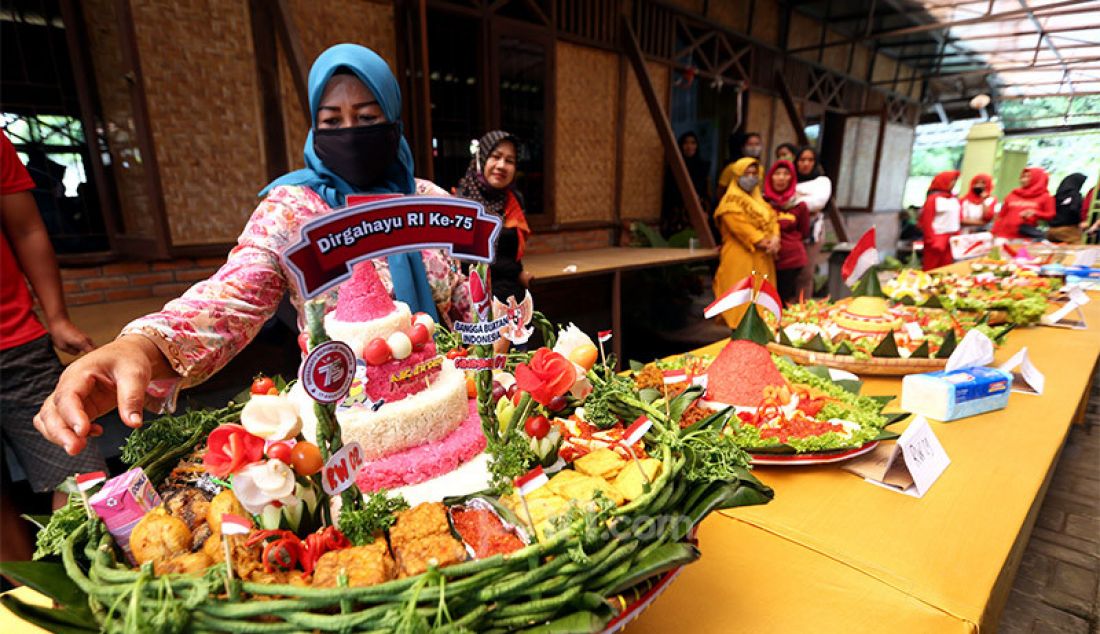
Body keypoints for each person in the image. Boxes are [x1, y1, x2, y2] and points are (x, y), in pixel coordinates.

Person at [33, 44, 472, 457]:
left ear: (393, 121)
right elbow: (230, 298)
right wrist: (141, 347)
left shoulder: (429, 203)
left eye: (367, 116)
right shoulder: (294, 210)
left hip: (453, 413)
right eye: (332, 121)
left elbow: (462, 304)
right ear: (314, 127)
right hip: (350, 432)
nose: (351, 133)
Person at [1, 130, 101, 567]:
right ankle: (30, 605)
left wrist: (56, 317)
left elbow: (26, 227)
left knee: (81, 471)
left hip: (15, 344)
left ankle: (90, 591)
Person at [454, 130, 532, 302]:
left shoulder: (514, 200)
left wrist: (520, 273)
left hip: (512, 297)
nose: (502, 165)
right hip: (473, 301)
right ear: (481, 159)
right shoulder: (461, 201)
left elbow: (511, 254)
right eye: (495, 157)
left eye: (510, 160)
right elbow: (456, 264)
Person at [712, 157, 779, 328]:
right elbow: (740, 227)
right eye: (746, 173)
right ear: (736, 176)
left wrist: (775, 239)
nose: (750, 178)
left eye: (754, 174)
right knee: (739, 300)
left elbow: (773, 221)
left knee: (761, 298)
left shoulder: (761, 202)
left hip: (763, 258)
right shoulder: (730, 203)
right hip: (740, 257)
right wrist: (764, 241)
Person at [762, 160, 809, 305]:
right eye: (777, 174)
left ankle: (779, 327)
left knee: (782, 301)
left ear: (792, 178)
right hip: (766, 257)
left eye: (786, 174)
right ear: (770, 177)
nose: (781, 178)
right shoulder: (761, 203)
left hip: (791, 260)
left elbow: (804, 232)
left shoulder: (799, 205)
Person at [791, 146, 831, 301]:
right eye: (802, 160)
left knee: (805, 274)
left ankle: (802, 309)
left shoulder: (822, 181)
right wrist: (802, 200)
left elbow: (817, 203)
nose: (806, 163)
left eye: (810, 160)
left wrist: (795, 199)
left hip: (812, 233)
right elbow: (780, 200)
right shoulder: (789, 179)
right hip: (789, 233)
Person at [661, 131, 712, 237]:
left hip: (698, 211)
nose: (689, 146)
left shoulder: (703, 167)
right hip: (678, 213)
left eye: (693, 143)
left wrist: (705, 211)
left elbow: (706, 191)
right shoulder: (675, 166)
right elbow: (669, 192)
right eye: (686, 143)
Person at [992, 167, 1055, 240]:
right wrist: (994, 232)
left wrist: (1035, 213)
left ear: (1037, 178)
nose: (1023, 180)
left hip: (1025, 238)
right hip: (1003, 236)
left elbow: (1051, 215)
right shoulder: (1013, 194)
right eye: (1023, 176)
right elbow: (1001, 216)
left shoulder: (1046, 197)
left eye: (1028, 177)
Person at [918, 170, 961, 271]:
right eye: (952, 180)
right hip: (937, 238)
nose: (954, 183)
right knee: (931, 268)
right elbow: (926, 221)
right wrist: (931, 240)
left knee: (946, 268)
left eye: (955, 180)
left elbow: (957, 219)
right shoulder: (933, 199)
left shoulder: (954, 199)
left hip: (951, 238)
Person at [716, 131, 762, 203]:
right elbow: (720, 191)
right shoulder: (732, 167)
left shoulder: (761, 169)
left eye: (757, 144)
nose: (754, 147)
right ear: (743, 147)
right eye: (750, 144)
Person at [1047, 173, 1088, 244]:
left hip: (1051, 230)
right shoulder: (1075, 194)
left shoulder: (1056, 196)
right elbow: (1074, 209)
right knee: (1078, 252)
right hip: (1068, 230)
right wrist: (1081, 221)